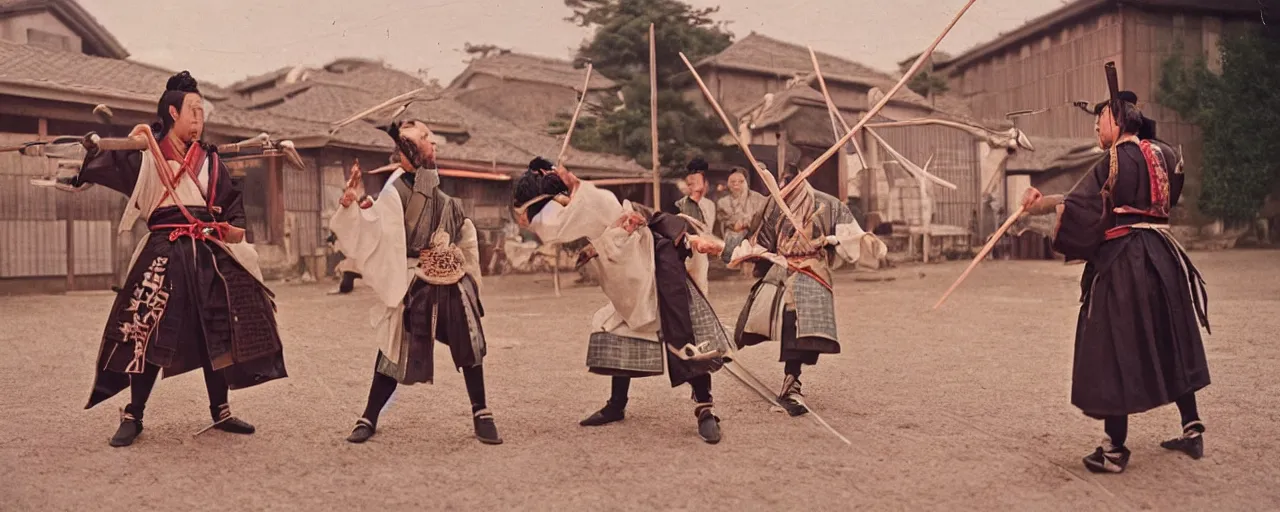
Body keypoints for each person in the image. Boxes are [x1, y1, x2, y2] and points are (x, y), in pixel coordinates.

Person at [58, 71, 286, 447]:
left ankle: (221, 410)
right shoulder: (146, 152)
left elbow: (232, 203)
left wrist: (232, 229)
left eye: (202, 112)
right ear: (172, 112)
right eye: (193, 111)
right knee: (145, 331)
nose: (199, 118)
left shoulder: (210, 159)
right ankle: (134, 413)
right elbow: (109, 165)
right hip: (164, 249)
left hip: (207, 250)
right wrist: (98, 154)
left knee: (218, 329)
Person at [1020, 94, 1209, 474]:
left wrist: (1040, 204)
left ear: (1119, 121)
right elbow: (1158, 198)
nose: (1094, 126)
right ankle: (1192, 428)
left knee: (1113, 343)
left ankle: (1114, 451)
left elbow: (1080, 204)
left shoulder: (1115, 159)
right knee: (1168, 334)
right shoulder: (1165, 154)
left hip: (1126, 261)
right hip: (1162, 255)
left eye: (1101, 119)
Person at [511, 161, 730, 443]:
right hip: (631, 275)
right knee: (619, 329)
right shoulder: (571, 206)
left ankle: (705, 408)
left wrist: (559, 186)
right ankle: (617, 403)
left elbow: (558, 220)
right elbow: (553, 223)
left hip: (658, 263)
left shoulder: (593, 202)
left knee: (685, 327)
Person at [330, 118, 500, 445]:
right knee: (395, 345)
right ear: (408, 152)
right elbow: (372, 229)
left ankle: (481, 411)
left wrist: (463, 268)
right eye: (425, 139)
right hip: (410, 276)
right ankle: (370, 414)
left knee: (467, 326)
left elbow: (464, 232)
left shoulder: (442, 197)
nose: (433, 144)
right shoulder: (395, 194)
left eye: (431, 139)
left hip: (447, 275)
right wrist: (350, 207)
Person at [707, 166, 886, 417]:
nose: (783, 191)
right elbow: (759, 241)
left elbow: (852, 236)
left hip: (813, 273)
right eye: (780, 186)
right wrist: (722, 248)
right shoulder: (776, 207)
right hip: (783, 269)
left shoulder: (827, 204)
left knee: (799, 329)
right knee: (752, 320)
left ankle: (792, 384)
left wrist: (850, 241)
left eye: (787, 185)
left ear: (800, 182)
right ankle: (720, 351)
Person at [673, 157, 717, 294]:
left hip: (699, 250)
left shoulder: (709, 205)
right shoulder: (679, 204)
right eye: (690, 183)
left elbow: (707, 228)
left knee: (700, 286)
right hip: (682, 248)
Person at [716, 167, 767, 240]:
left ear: (747, 182)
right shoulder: (723, 202)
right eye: (733, 181)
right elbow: (729, 224)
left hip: (756, 240)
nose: (736, 184)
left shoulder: (759, 199)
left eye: (741, 181)